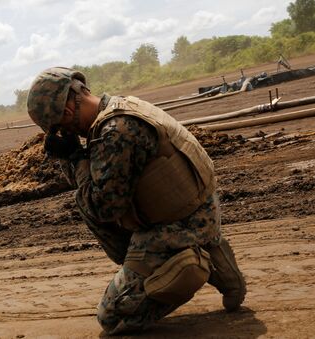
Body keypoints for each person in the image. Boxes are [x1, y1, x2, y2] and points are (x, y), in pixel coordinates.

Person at [27, 67, 246, 335]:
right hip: (194, 207)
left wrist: (74, 159)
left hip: (178, 225)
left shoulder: (115, 132)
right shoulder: (121, 107)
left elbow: (103, 208)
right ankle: (213, 252)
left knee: (112, 318)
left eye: (59, 129)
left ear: (67, 114)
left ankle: (193, 263)